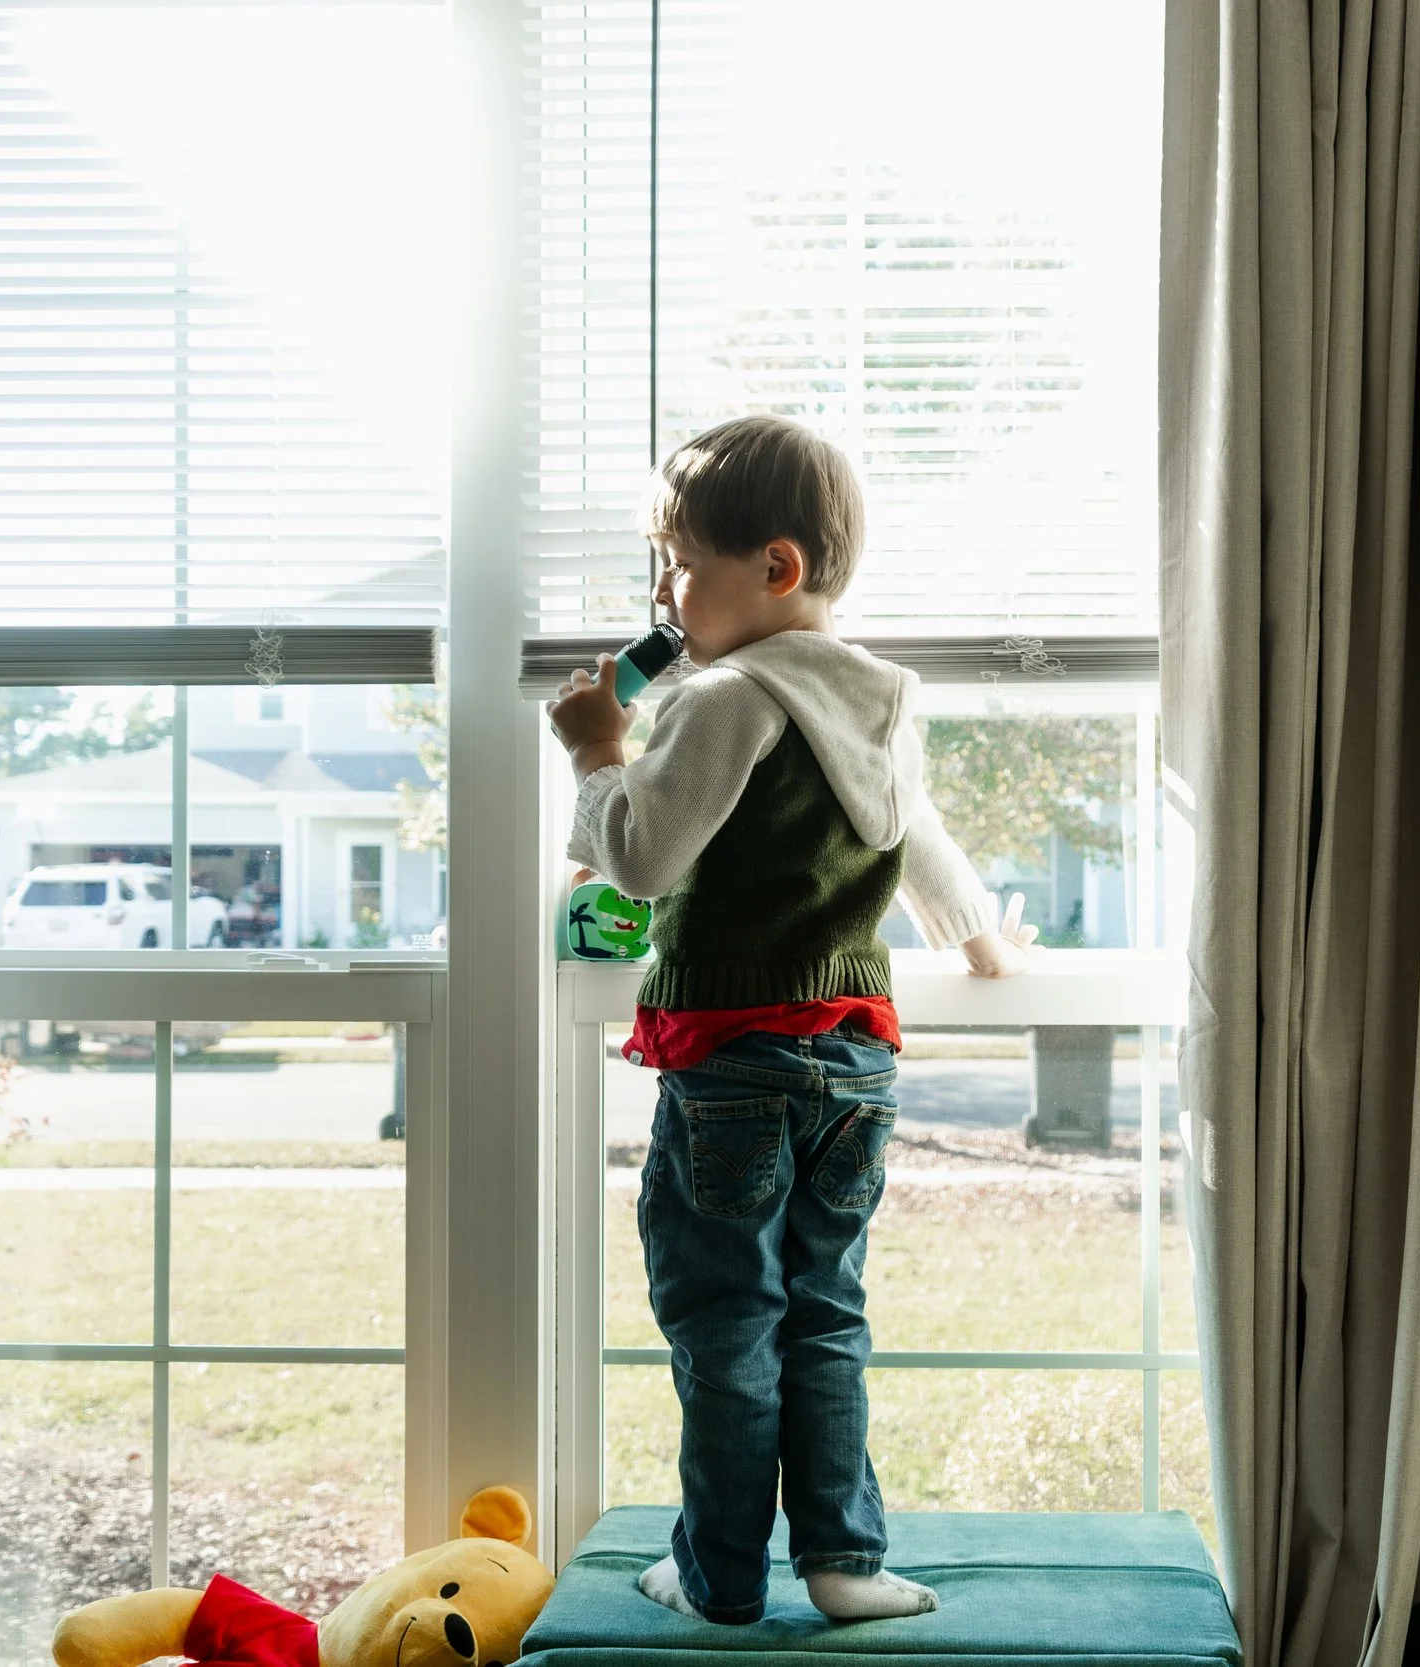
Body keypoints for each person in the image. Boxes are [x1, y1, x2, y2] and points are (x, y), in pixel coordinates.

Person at [546, 415, 1033, 1626]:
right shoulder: (877, 699)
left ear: (776, 567)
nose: (663, 593)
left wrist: (598, 751)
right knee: (825, 1315)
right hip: (855, 1061)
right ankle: (843, 1558)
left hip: (737, 1064)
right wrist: (982, 943)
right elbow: (918, 838)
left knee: (727, 1325)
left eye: (679, 564)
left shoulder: (725, 696)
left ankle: (718, 1574)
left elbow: (642, 858)